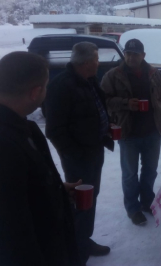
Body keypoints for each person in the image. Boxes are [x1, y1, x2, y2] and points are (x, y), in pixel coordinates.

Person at [0, 52, 81, 266]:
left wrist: (55, 190)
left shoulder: (12, 126)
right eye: (46, 87)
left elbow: (18, 191)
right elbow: (7, 236)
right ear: (35, 92)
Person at [45, 42, 113, 264]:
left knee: (90, 199)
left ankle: (84, 240)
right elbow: (54, 130)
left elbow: (94, 111)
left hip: (94, 151)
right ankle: (75, 247)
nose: (98, 63)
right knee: (79, 202)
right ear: (85, 63)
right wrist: (74, 153)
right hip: (78, 157)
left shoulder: (89, 80)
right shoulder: (61, 86)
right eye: (96, 59)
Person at [101, 39, 161, 226]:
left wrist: (160, 108)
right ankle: (133, 208)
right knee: (130, 174)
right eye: (128, 53)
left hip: (152, 131)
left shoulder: (154, 74)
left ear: (143, 55)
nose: (131, 57)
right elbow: (104, 100)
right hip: (128, 133)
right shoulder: (113, 75)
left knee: (150, 171)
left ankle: (147, 202)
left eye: (135, 54)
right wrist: (126, 104)